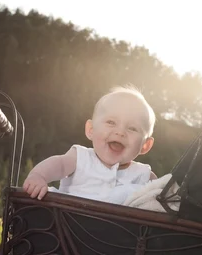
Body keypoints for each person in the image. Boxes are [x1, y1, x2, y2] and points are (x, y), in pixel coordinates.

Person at [23, 85, 156, 204]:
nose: (120, 132)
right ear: (91, 129)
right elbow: (59, 164)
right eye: (111, 122)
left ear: (145, 145)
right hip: (67, 222)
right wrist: (39, 177)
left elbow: (166, 195)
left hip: (116, 230)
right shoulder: (81, 158)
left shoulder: (143, 175)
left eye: (132, 128)